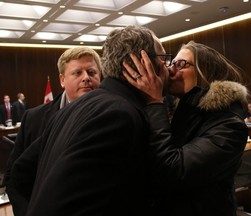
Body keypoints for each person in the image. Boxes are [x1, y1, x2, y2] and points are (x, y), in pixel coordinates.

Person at [7, 25, 169, 216]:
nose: (168, 68)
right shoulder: (118, 114)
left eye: (91, 72)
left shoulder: (73, 108)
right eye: (163, 59)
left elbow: (22, 176)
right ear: (143, 64)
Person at [122, 40, 249, 216]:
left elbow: (173, 172)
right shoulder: (185, 110)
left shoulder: (230, 126)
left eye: (181, 64)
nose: (170, 70)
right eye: (172, 63)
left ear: (206, 73)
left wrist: (154, 102)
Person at [4, 46, 102, 216]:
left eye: (92, 72)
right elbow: (13, 178)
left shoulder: (113, 115)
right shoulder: (33, 119)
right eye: (77, 73)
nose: (86, 78)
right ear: (62, 80)